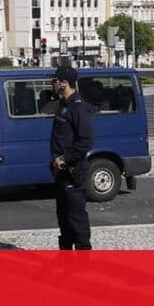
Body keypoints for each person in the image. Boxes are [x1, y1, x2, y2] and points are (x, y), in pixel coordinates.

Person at [49, 65, 95, 250]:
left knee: (76, 218)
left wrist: (64, 158)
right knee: (63, 217)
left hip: (73, 170)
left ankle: (83, 262)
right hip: (61, 172)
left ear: (64, 83)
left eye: (55, 80)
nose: (52, 83)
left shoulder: (77, 107)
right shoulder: (63, 105)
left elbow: (86, 141)